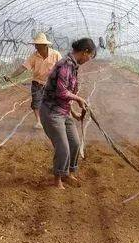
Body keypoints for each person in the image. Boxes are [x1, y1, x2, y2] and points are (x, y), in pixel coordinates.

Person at [40, 38, 96, 189]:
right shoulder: (65, 64)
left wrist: (74, 113)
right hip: (52, 111)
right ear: (85, 52)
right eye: (90, 56)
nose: (89, 59)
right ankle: (57, 178)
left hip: (64, 111)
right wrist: (78, 99)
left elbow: (67, 93)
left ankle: (68, 173)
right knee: (63, 147)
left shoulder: (73, 66)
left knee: (75, 143)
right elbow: (61, 91)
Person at [4, 32, 61, 129]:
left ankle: (52, 120)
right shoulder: (33, 56)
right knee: (36, 102)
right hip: (37, 83)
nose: (35, 46)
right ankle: (39, 122)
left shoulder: (55, 54)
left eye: (37, 44)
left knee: (52, 102)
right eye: (35, 44)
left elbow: (62, 68)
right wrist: (11, 76)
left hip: (51, 83)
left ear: (44, 45)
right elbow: (23, 68)